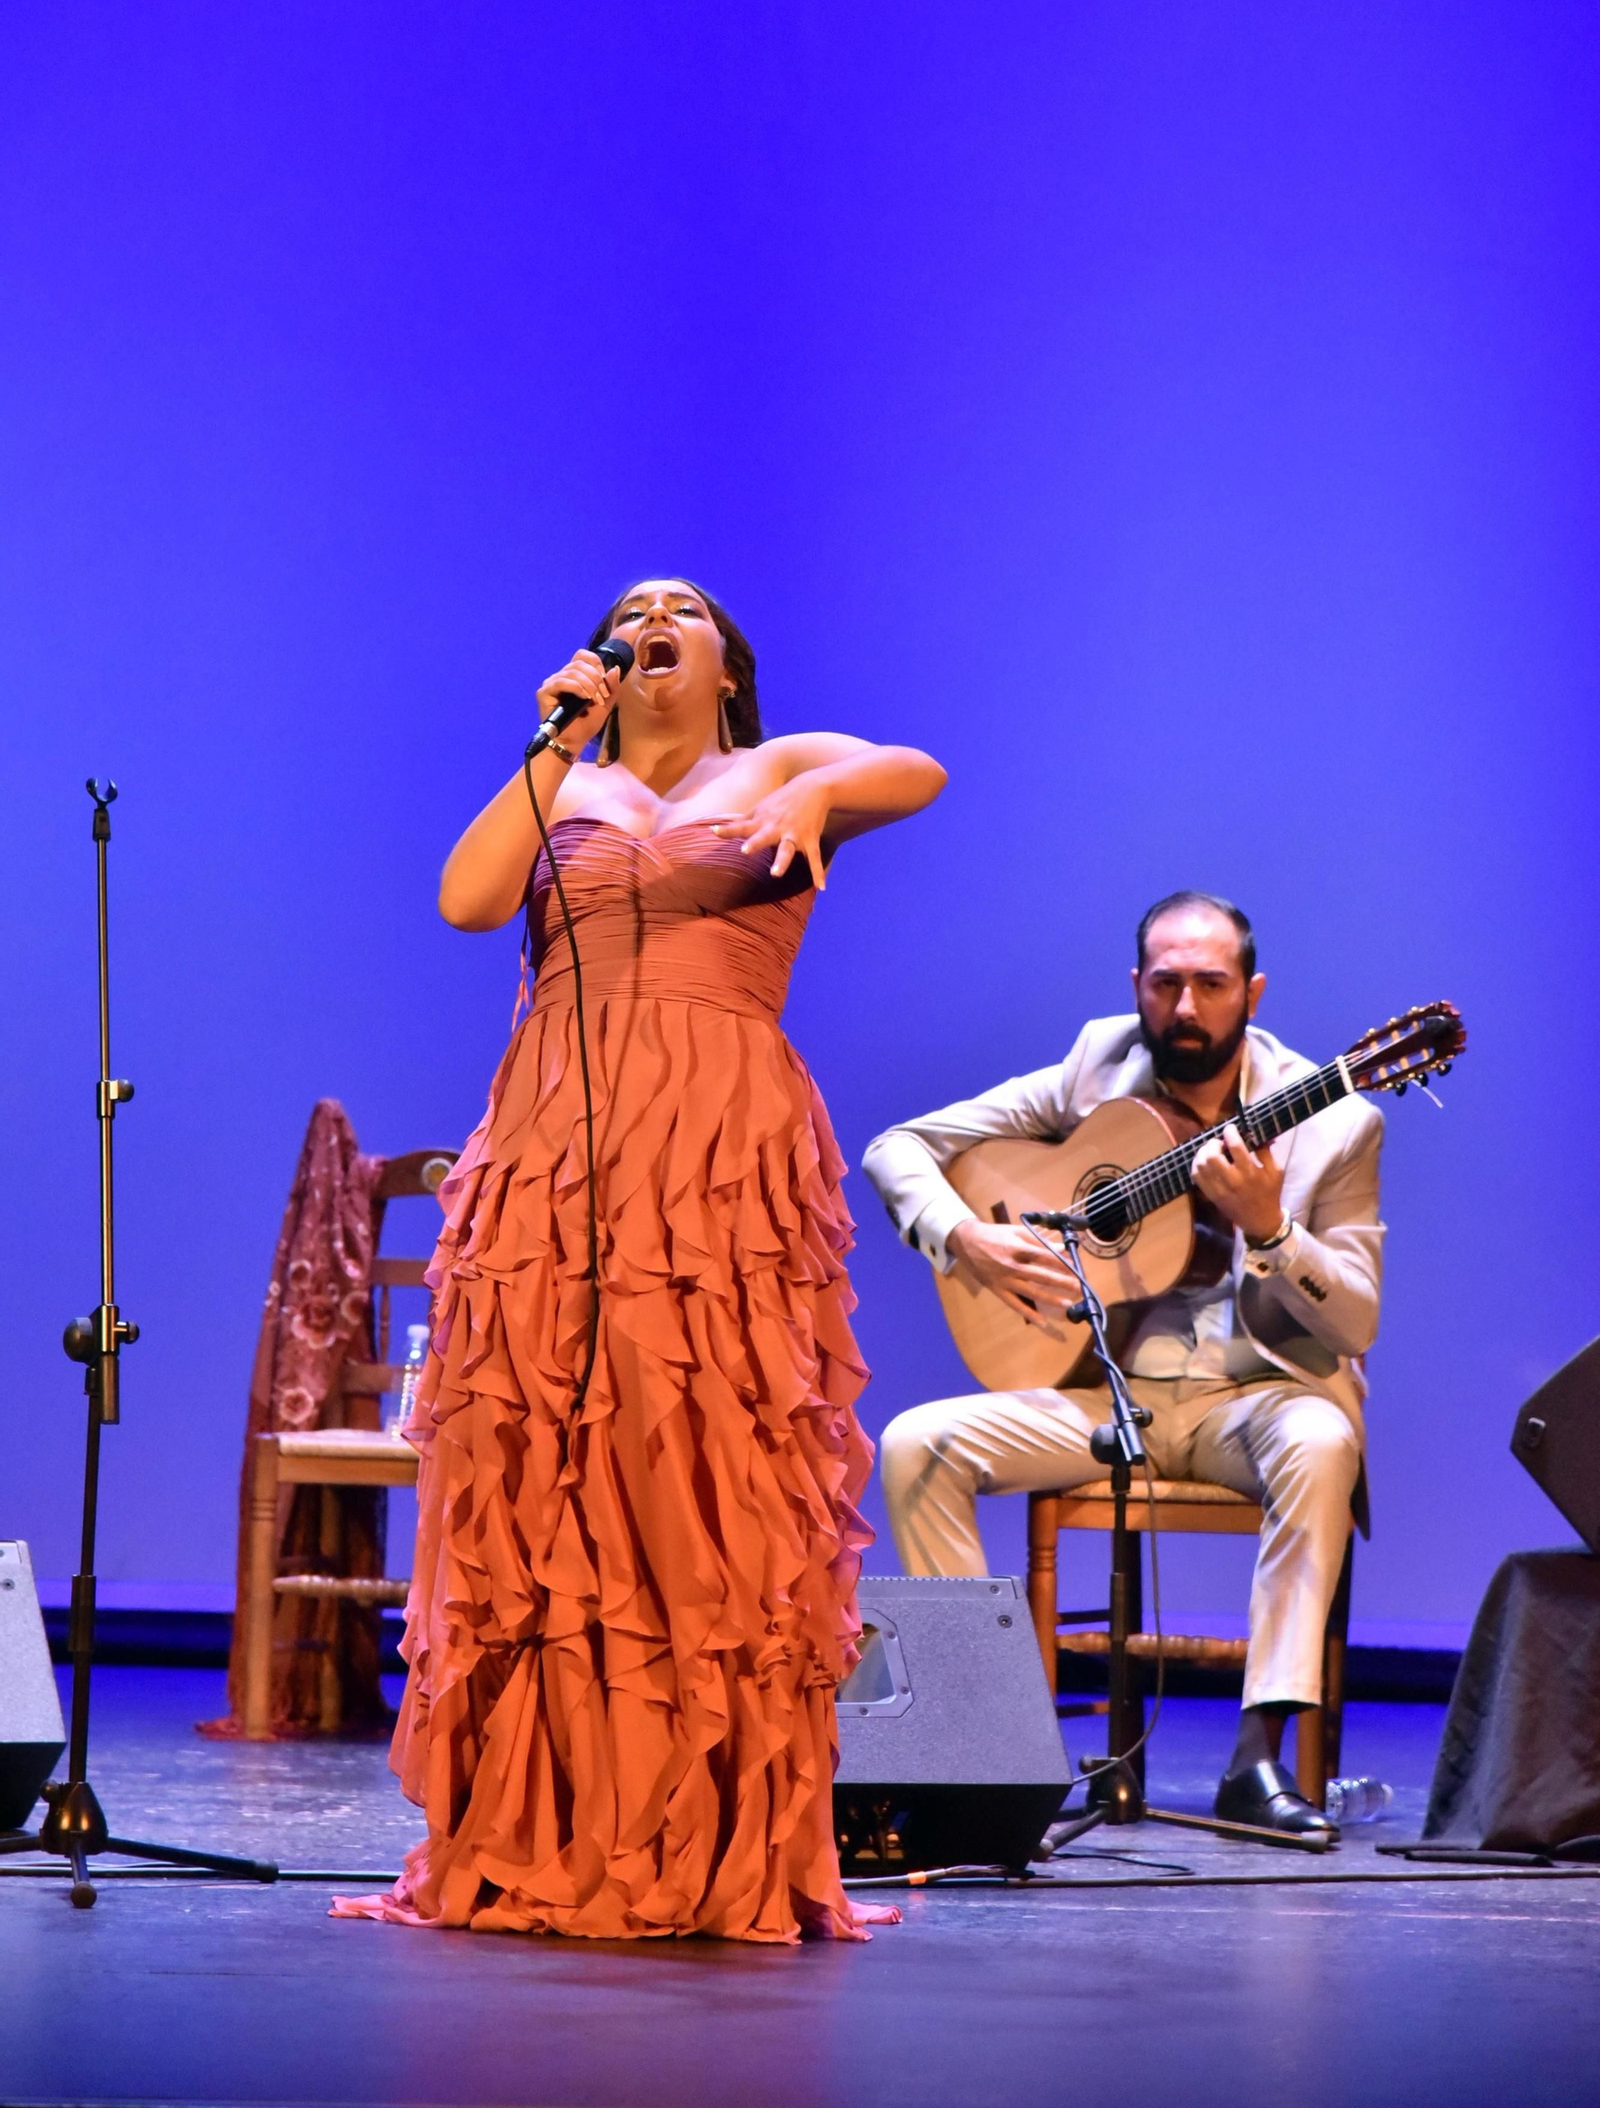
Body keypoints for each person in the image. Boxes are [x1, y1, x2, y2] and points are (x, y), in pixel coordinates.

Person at [335, 577, 944, 1941]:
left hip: (719, 1145)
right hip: (557, 1145)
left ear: (727, 661)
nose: (654, 612)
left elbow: (919, 770)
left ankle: (706, 1826)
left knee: (698, 1465)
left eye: (684, 606)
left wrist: (809, 796)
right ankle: (530, 1827)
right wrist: (558, 739)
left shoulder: (775, 764)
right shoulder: (568, 779)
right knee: (549, 1475)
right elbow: (466, 901)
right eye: (632, 604)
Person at [862, 892, 1383, 1839]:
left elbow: (1355, 1320)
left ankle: (1256, 1757)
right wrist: (961, 1238)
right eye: (1166, 983)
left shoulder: (1336, 1120)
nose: (1186, 1009)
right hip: (1107, 1394)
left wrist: (1271, 1229)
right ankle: (984, 1754)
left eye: (1211, 986)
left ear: (1252, 992)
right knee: (914, 1445)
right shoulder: (1096, 1064)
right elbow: (897, 1147)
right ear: (1137, 987)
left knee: (1322, 1438)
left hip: (1252, 1397)